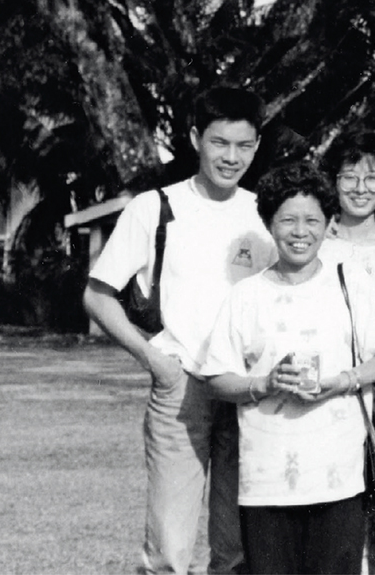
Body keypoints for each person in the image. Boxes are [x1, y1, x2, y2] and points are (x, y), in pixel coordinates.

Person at [83, 86, 277, 574]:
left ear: (256, 146)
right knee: (170, 551)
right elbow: (97, 295)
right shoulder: (156, 208)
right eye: (219, 143)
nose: (230, 157)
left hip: (246, 392)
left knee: (236, 550)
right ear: (195, 138)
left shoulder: (266, 213)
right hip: (180, 388)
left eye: (243, 145)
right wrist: (154, 360)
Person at [203, 163, 375, 574]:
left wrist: (343, 381)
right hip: (266, 480)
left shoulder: (351, 283)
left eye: (312, 220)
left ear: (328, 224)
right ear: (269, 224)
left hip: (339, 476)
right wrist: (265, 383)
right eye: (288, 220)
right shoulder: (246, 296)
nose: (300, 232)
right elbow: (216, 379)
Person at [318, 126, 375, 574]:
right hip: (330, 402)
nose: (361, 187)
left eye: (372, 177)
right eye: (349, 176)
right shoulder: (312, 246)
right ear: (332, 180)